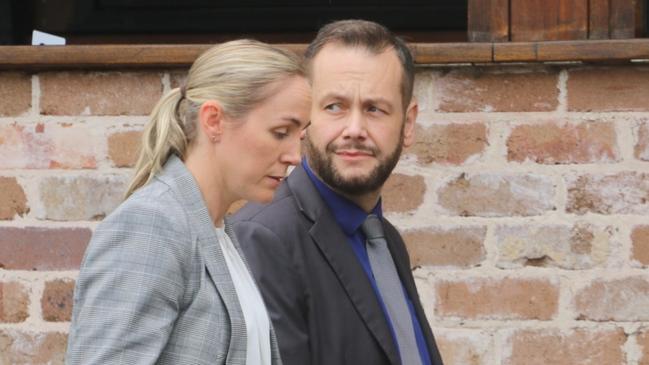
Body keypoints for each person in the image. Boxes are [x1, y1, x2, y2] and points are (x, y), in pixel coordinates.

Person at [65, 39, 310, 364]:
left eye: (301, 137)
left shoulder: (218, 233)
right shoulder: (153, 226)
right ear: (213, 120)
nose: (295, 156)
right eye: (281, 132)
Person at [232, 20, 444, 365]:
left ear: (407, 124)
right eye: (334, 107)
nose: (355, 129)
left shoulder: (384, 239)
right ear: (305, 116)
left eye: (375, 109)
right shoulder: (264, 240)